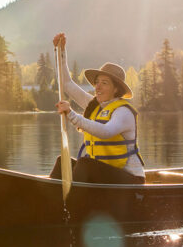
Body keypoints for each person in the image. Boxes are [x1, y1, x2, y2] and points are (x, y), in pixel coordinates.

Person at [51, 33, 145, 184]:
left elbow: (106, 132)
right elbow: (67, 84)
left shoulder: (123, 112)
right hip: (104, 176)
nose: (97, 87)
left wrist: (71, 115)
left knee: (85, 165)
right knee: (63, 162)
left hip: (130, 179)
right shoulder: (95, 106)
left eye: (104, 83)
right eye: (97, 82)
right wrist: (60, 52)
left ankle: (69, 205)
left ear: (116, 89)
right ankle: (53, 201)